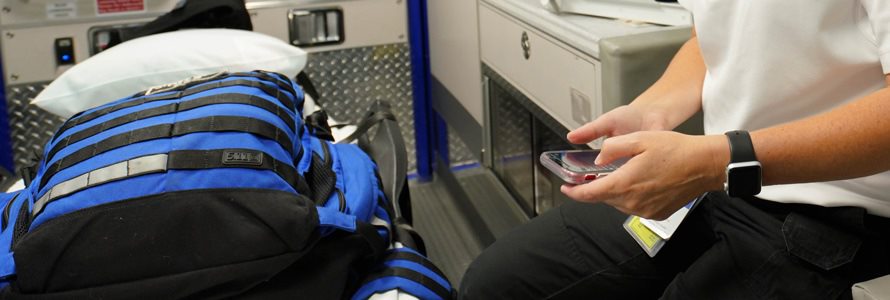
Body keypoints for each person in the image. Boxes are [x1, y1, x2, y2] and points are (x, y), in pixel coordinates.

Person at [459, 1, 890, 299]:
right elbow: (712, 38)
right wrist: (655, 107)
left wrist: (718, 159)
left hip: (839, 219)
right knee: (496, 284)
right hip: (716, 184)